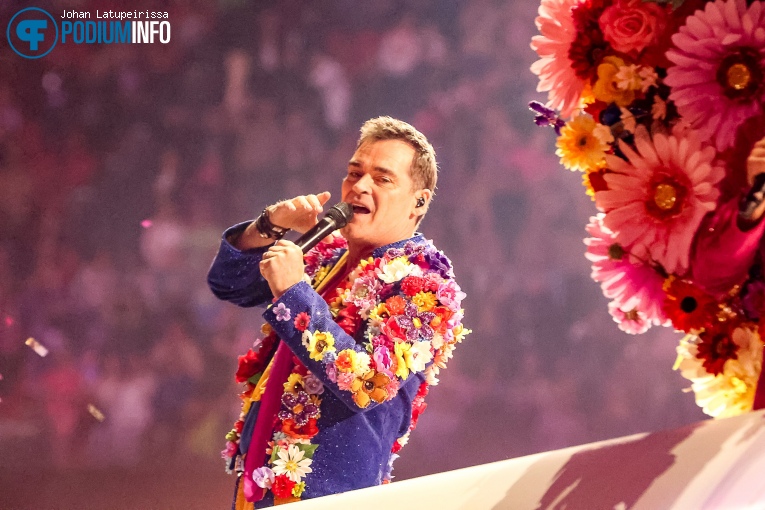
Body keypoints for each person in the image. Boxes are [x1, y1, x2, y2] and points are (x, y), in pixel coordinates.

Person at [207, 116, 469, 507]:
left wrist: (294, 293)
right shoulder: (323, 255)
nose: (359, 186)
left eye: (382, 178)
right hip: (259, 488)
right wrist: (270, 224)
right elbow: (228, 283)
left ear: (420, 201)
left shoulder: (426, 288)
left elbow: (368, 384)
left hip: (331, 497)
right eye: (354, 172)